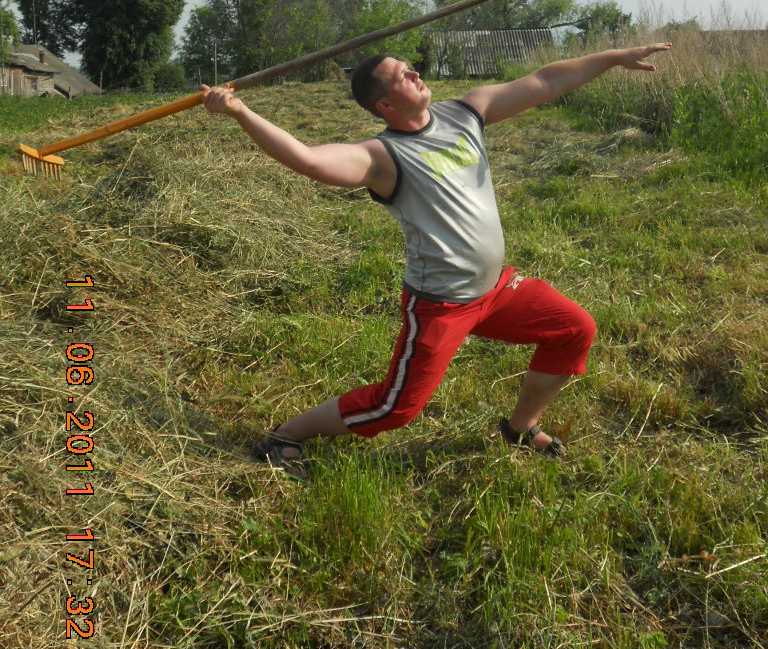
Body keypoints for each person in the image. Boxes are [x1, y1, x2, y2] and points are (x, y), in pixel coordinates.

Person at [201, 42, 671, 471]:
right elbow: (308, 159)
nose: (415, 74)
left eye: (410, 68)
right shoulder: (382, 157)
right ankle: (284, 437)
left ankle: (520, 427)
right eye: (401, 76)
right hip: (442, 303)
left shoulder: (467, 112)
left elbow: (546, 81)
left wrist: (612, 58)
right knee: (394, 409)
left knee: (574, 328)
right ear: (385, 105)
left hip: (496, 290)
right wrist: (240, 110)